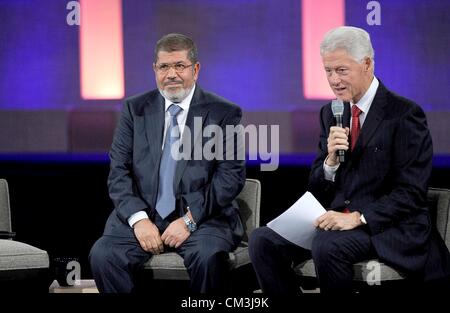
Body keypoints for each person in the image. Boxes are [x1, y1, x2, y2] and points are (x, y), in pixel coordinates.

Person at [249, 26, 450, 294]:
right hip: (336, 220)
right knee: (262, 240)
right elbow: (317, 185)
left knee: (327, 245)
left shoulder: (403, 115)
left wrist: (358, 217)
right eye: (328, 71)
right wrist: (330, 162)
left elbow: (411, 192)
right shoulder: (331, 112)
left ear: (366, 63)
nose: (333, 80)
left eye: (341, 70)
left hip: (385, 227)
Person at [89, 33, 245, 293]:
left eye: (179, 66)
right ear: (155, 70)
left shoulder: (223, 113)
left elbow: (230, 178)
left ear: (195, 69)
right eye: (164, 67)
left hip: (203, 219)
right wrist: (139, 220)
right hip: (145, 216)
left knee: (208, 257)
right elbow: (119, 171)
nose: (171, 74)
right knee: (103, 255)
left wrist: (188, 221)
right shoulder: (134, 109)